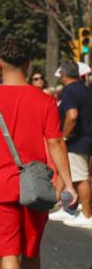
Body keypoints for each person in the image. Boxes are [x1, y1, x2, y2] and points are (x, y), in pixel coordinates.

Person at [0, 37, 77, 269]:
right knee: (31, 252)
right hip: (36, 187)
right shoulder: (45, 101)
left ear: (0, 63)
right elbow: (56, 144)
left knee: (9, 254)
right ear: (28, 63)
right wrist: (68, 183)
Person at [47, 61, 92, 228]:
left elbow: (72, 115)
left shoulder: (69, 91)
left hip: (77, 140)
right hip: (85, 137)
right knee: (69, 175)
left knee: (80, 178)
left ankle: (87, 215)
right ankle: (67, 209)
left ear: (64, 75)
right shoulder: (85, 89)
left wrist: (64, 136)